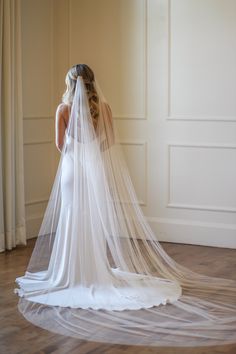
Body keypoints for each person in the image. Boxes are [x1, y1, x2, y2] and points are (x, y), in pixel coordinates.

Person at [15, 64, 236, 347]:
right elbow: (111, 142)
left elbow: (60, 145)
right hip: (94, 168)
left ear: (70, 83)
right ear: (93, 83)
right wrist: (91, 150)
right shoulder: (103, 108)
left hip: (72, 170)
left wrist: (78, 150)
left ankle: (70, 273)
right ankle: (94, 272)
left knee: (72, 217)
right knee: (92, 217)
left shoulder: (63, 109)